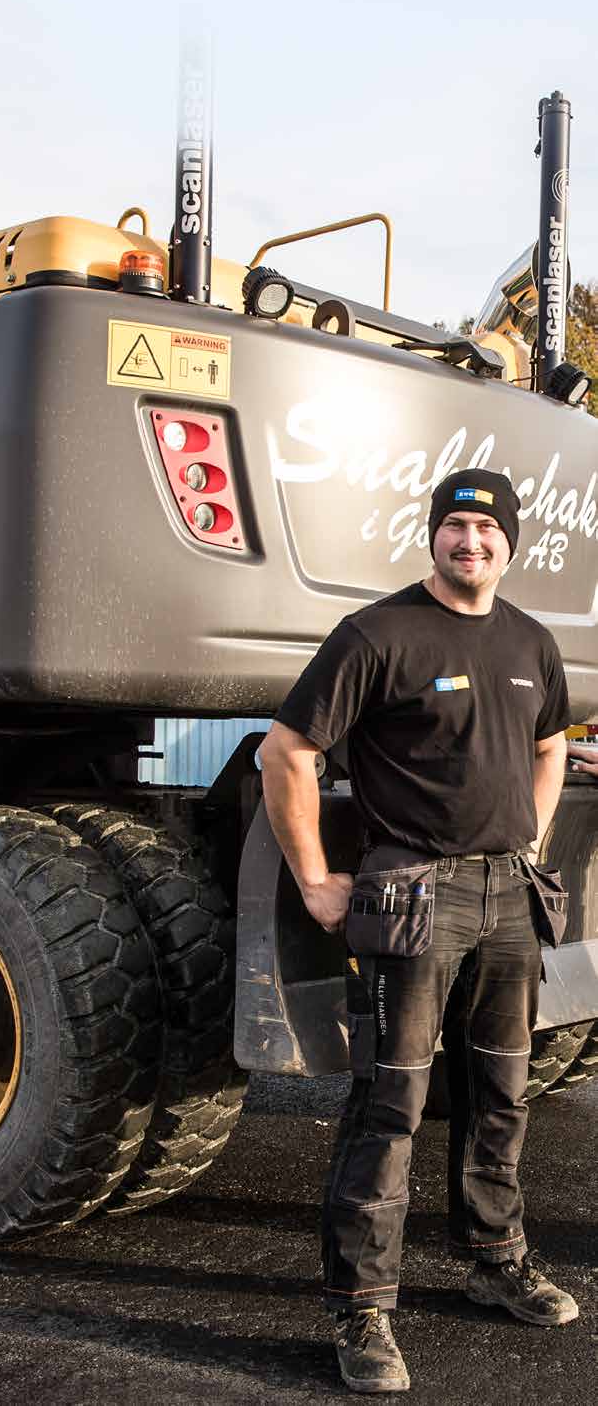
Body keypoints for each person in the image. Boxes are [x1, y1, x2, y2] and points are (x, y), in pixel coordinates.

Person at [258, 467, 578, 1395]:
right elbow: (290, 749)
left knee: (501, 1091)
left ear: (507, 543)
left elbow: (551, 739)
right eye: (454, 527)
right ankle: (360, 1308)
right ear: (431, 537)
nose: (469, 542)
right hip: (416, 897)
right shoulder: (378, 634)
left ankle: (494, 1257)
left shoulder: (529, 639)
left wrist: (532, 834)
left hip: (509, 896)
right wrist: (315, 877)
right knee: (391, 1102)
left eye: (485, 529)